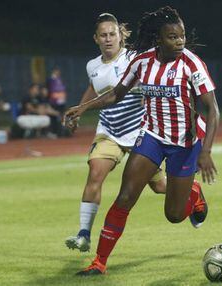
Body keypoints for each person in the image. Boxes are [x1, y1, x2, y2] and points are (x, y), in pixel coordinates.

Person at [64, 6, 219, 275]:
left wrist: (205, 152)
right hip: (152, 136)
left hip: (185, 142)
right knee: (125, 196)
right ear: (159, 39)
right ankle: (99, 262)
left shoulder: (192, 63)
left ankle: (193, 193)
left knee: (173, 215)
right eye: (173, 37)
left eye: (182, 36)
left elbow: (213, 109)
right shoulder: (142, 61)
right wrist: (84, 107)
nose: (180, 41)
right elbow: (116, 94)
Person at [64, 13, 169, 253]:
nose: (109, 38)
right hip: (109, 131)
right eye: (104, 35)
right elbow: (93, 87)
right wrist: (80, 111)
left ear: (121, 36)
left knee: (160, 187)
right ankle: (83, 234)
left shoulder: (135, 58)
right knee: (95, 171)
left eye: (113, 34)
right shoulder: (92, 65)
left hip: (140, 132)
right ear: (96, 39)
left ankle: (191, 193)